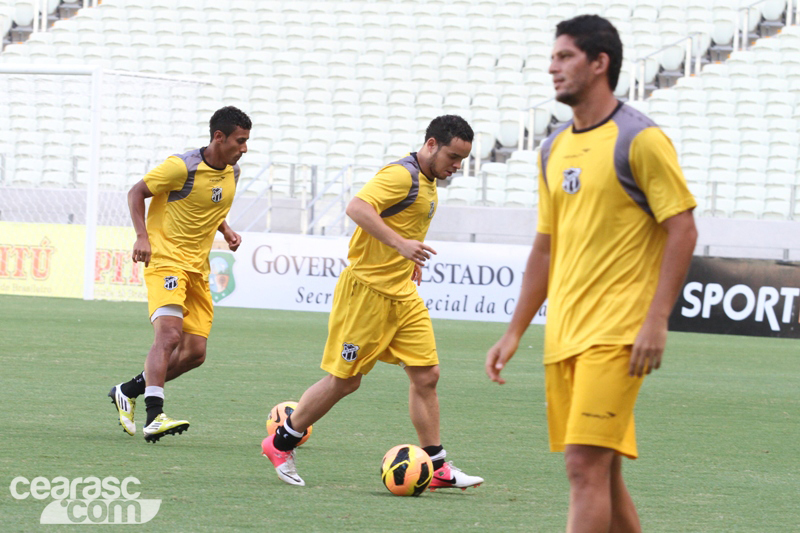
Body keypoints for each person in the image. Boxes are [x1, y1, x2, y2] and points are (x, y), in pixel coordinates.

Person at [485, 15, 697, 533]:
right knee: (604, 473)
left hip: (619, 334)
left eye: (565, 56)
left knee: (582, 466)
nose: (552, 67)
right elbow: (545, 248)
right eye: (553, 57)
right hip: (566, 334)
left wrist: (656, 320)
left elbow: (683, 229)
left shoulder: (640, 139)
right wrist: (515, 330)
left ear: (599, 63)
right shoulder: (552, 148)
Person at [262, 115, 484, 489]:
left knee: (426, 375)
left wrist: (406, 259)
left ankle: (436, 466)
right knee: (345, 382)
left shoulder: (429, 180)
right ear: (431, 144)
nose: (457, 166)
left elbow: (403, 225)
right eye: (453, 156)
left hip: (403, 295)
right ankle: (280, 442)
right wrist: (400, 245)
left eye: (463, 159)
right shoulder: (401, 175)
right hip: (366, 295)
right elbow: (357, 207)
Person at [108, 106, 251, 443]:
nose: (244, 148)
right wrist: (142, 237)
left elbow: (208, 207)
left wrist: (226, 230)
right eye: (240, 141)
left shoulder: (233, 171)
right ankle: (154, 415)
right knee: (169, 336)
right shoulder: (180, 167)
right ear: (219, 137)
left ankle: (127, 390)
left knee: (195, 353)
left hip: (197, 269)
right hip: (165, 261)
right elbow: (136, 193)